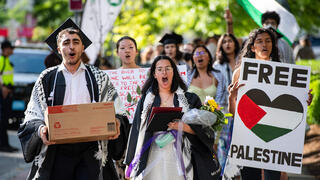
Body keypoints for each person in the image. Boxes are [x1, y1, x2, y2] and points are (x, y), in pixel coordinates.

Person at [17, 18, 128, 180]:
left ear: (82, 47)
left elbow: (117, 109)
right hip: (57, 148)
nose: (71, 46)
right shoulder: (47, 78)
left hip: (90, 148)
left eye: (76, 42)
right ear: (59, 49)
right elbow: (33, 113)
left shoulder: (99, 77)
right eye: (66, 43)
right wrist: (41, 129)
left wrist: (117, 121)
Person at [228, 28, 313, 180]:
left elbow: (290, 111)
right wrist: (231, 97)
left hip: (275, 141)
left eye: (268, 41)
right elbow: (234, 114)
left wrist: (304, 101)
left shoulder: (285, 73)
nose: (264, 44)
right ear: (252, 47)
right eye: (259, 41)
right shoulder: (240, 73)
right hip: (248, 137)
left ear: (273, 45)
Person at [124, 55, 220, 180]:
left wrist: (184, 127)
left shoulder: (189, 99)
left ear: (174, 72)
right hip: (151, 156)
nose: (164, 72)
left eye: (168, 68)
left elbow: (204, 130)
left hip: (180, 157)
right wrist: (129, 163)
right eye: (159, 69)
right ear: (154, 74)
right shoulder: (146, 100)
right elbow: (136, 130)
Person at [213, 33, 240, 172]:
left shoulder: (243, 61)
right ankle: (226, 173)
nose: (228, 44)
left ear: (235, 43)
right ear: (221, 46)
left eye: (230, 41)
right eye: (224, 42)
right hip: (224, 110)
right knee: (224, 144)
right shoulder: (217, 65)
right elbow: (217, 90)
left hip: (243, 108)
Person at [0, 40, 18, 152]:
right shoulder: (1, 59)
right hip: (3, 93)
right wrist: (3, 88)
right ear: (5, 49)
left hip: (7, 92)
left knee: (5, 120)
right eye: (10, 48)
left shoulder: (6, 60)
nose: (12, 50)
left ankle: (5, 144)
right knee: (3, 120)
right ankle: (3, 145)